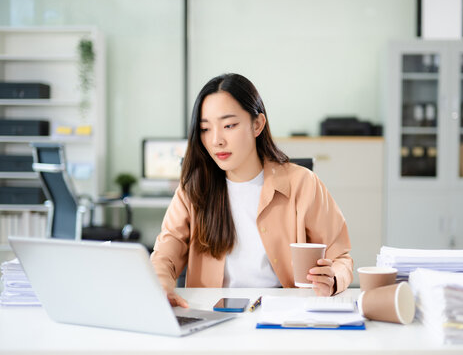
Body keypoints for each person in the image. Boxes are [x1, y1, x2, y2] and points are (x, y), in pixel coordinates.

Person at [150, 73, 353, 307]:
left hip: (281, 314)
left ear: (257, 125)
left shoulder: (303, 184)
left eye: (229, 125)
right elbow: (165, 255)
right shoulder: (193, 189)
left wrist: (333, 278)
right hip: (213, 317)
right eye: (205, 129)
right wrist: (161, 286)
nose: (216, 140)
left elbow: (341, 258)